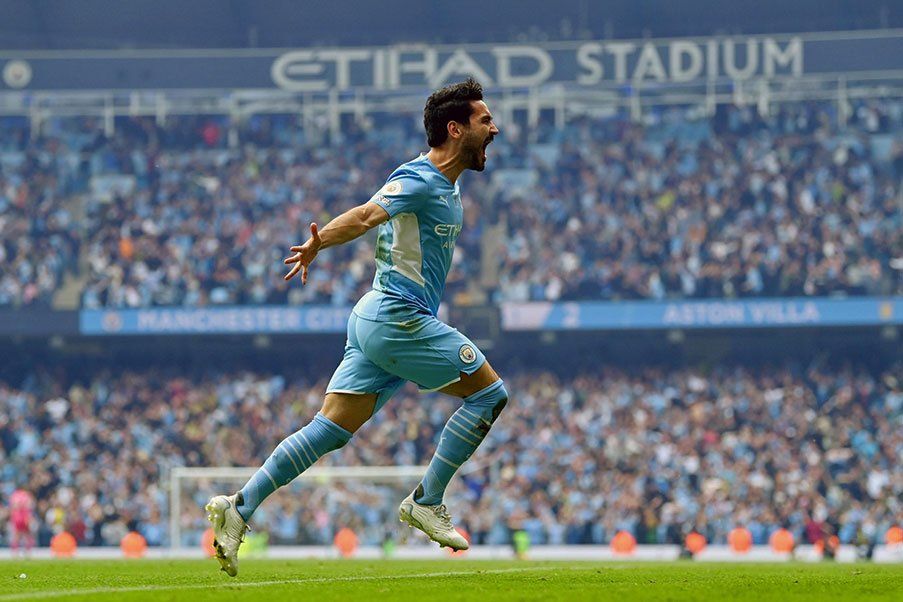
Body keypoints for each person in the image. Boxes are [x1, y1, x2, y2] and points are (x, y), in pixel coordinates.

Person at [205, 78, 505, 576]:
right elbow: (366, 215)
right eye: (485, 120)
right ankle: (426, 500)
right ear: (456, 129)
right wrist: (319, 243)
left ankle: (239, 506)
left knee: (329, 430)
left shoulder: (447, 185)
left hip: (375, 317)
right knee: (490, 395)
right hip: (397, 316)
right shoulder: (420, 178)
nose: (494, 128)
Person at [8, 489, 35, 556]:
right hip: (23, 516)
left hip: (18, 516)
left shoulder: (15, 495)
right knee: (26, 534)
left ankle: (15, 551)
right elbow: (30, 506)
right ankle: (27, 551)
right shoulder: (26, 495)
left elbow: (13, 506)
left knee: (18, 535)